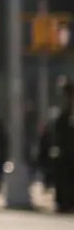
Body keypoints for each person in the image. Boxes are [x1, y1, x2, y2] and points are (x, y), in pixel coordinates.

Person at [52, 77, 74, 213]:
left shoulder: (68, 112)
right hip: (65, 151)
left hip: (69, 151)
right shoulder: (65, 111)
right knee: (64, 177)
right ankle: (64, 202)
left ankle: (66, 202)